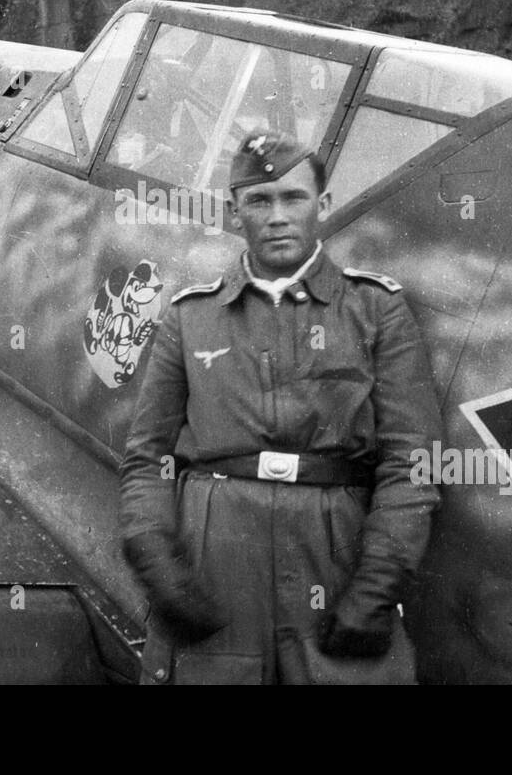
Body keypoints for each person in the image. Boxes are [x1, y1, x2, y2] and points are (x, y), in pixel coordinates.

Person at [118, 129, 444, 684]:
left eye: (293, 199)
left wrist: (376, 585)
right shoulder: (190, 316)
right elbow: (146, 457)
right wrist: (155, 556)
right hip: (216, 554)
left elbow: (413, 463)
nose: (277, 217)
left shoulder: (375, 309)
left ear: (323, 206)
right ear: (234, 211)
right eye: (258, 201)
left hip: (334, 554)